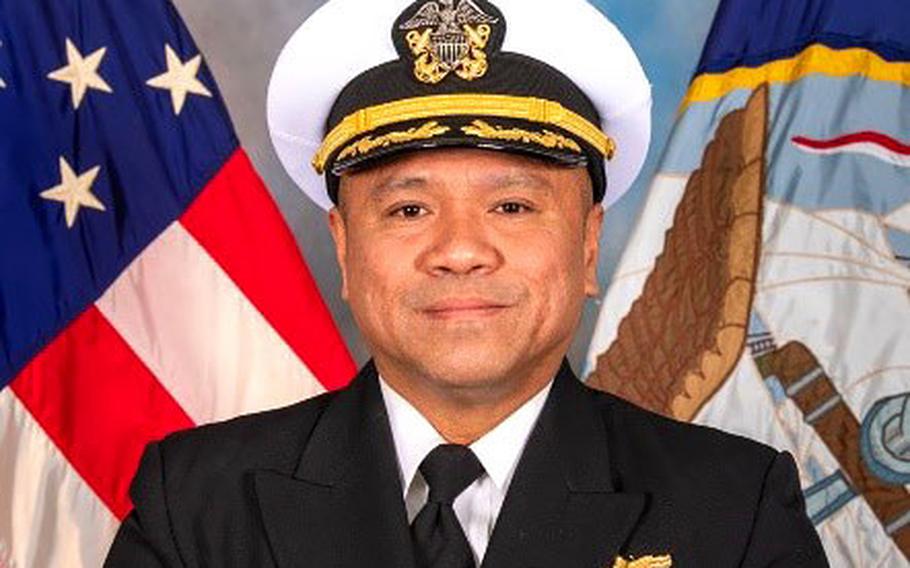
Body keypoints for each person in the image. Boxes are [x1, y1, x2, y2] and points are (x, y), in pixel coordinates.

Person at [105, 0, 828, 566]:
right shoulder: (197, 505)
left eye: (512, 206)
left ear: (587, 246)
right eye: (409, 209)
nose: (458, 251)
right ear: (346, 248)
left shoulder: (733, 510)